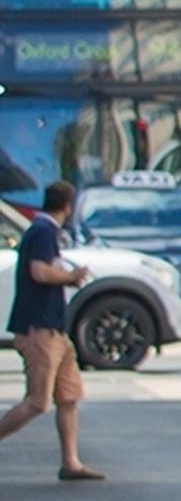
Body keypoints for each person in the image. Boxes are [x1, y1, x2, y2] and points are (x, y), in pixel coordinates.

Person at [2, 185, 102, 480]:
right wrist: (71, 277)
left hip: (56, 329)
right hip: (39, 328)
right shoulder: (43, 232)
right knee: (37, 401)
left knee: (68, 396)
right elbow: (40, 272)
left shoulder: (41, 230)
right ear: (68, 206)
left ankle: (70, 462)